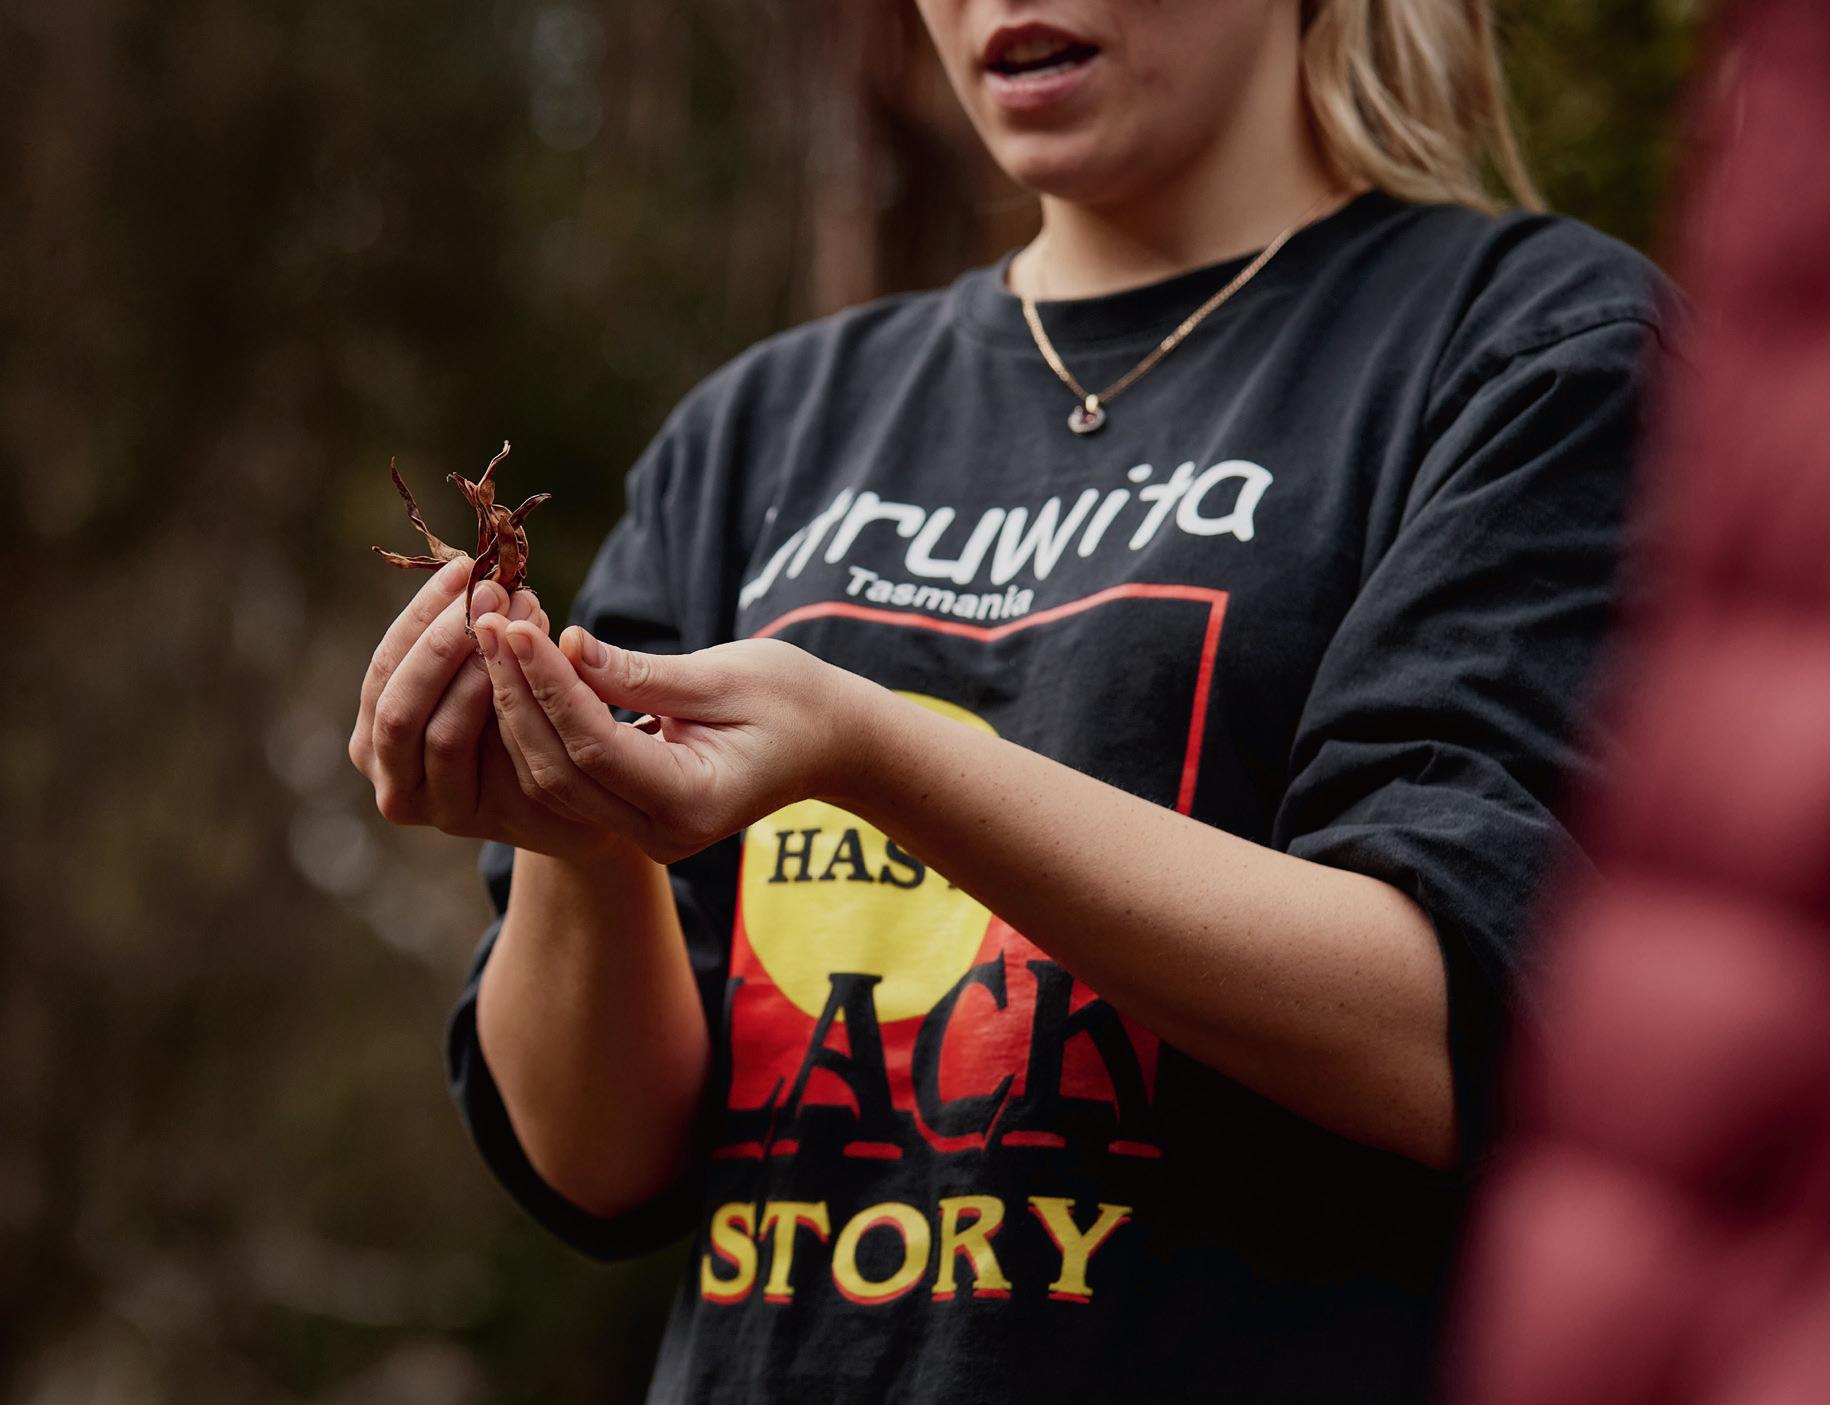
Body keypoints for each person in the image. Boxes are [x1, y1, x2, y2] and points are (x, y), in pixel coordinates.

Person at [351, 1, 1673, 1399]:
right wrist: (582, 840)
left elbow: (1473, 1026)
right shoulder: (758, 430)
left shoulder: (1538, 351)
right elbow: (602, 1165)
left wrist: (872, 752)